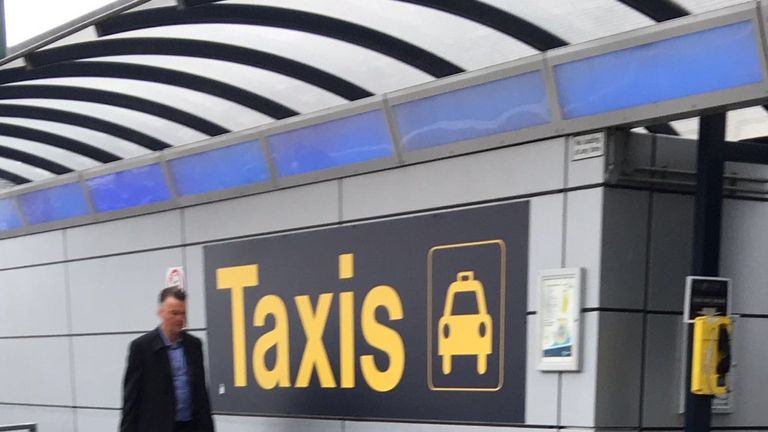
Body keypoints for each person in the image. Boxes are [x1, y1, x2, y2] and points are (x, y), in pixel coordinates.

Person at [120, 287, 214, 432]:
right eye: (174, 313)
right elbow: (131, 401)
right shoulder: (142, 348)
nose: (179, 319)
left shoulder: (194, 345)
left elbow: (201, 395)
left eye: (183, 313)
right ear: (160, 312)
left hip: (191, 426)